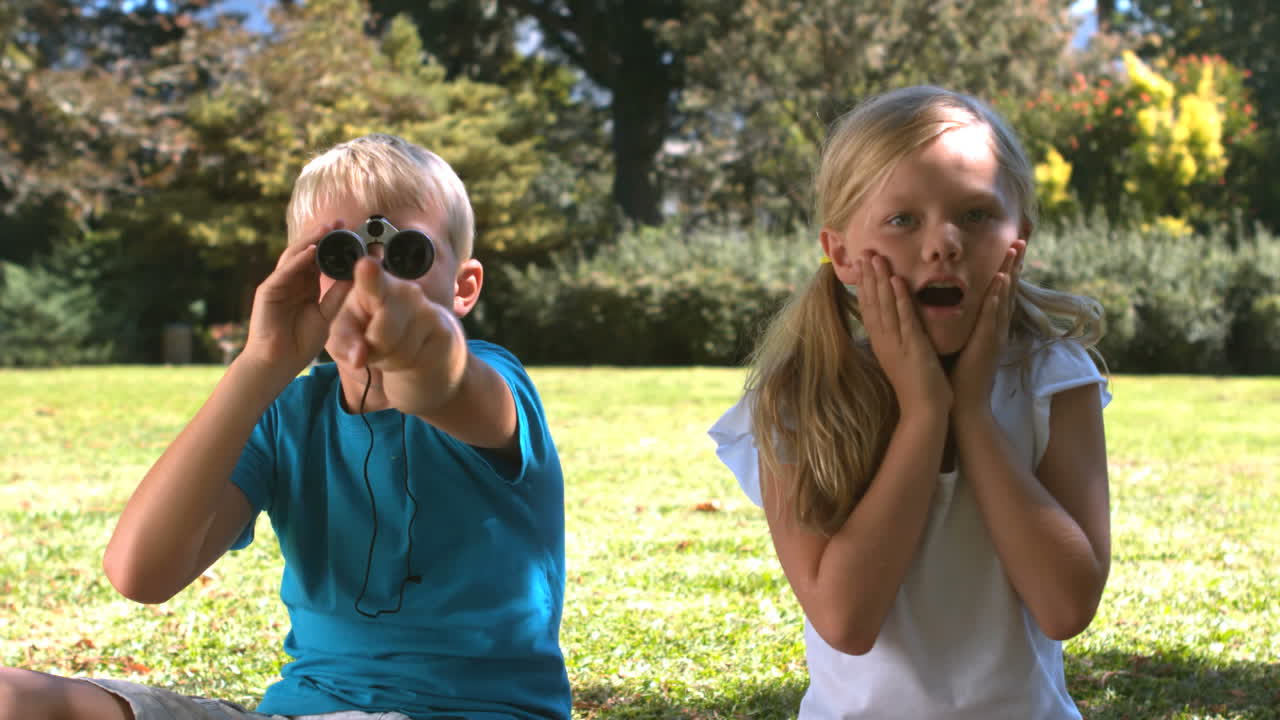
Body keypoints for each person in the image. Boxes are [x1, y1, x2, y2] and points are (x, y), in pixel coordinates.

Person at [0, 134, 571, 720]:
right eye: (340, 255)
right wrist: (260, 365)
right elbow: (141, 572)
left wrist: (418, 347)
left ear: (463, 287)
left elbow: (440, 383)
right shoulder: (286, 417)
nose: (371, 275)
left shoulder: (496, 382)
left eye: (407, 255)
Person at [708, 86, 1111, 719]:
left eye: (976, 215)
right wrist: (925, 416)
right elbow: (847, 620)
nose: (944, 243)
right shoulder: (798, 397)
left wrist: (972, 414)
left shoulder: (1054, 379)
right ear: (840, 251)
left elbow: (1066, 607)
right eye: (903, 220)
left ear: (1019, 239)